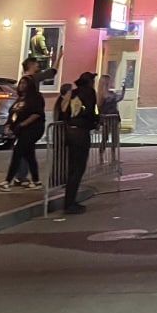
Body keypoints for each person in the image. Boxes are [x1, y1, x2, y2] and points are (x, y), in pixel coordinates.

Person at [0, 75, 46, 191]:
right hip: (21, 130)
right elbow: (13, 113)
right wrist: (9, 125)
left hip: (32, 129)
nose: (22, 85)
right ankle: (36, 180)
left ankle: (7, 181)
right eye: (21, 83)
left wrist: (23, 124)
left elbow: (36, 113)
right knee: (29, 155)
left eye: (25, 83)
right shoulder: (20, 99)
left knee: (18, 153)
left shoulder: (36, 97)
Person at [62, 71, 99, 214]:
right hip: (81, 132)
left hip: (69, 131)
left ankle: (69, 201)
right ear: (90, 82)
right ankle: (70, 204)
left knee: (72, 168)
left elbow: (64, 111)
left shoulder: (73, 92)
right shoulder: (89, 92)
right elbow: (92, 111)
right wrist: (95, 122)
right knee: (78, 169)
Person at [96, 73, 126, 159]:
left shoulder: (99, 95)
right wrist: (123, 89)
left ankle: (102, 156)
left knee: (105, 138)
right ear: (107, 83)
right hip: (112, 118)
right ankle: (112, 156)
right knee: (113, 138)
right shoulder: (109, 95)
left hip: (106, 119)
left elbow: (98, 108)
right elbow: (119, 98)